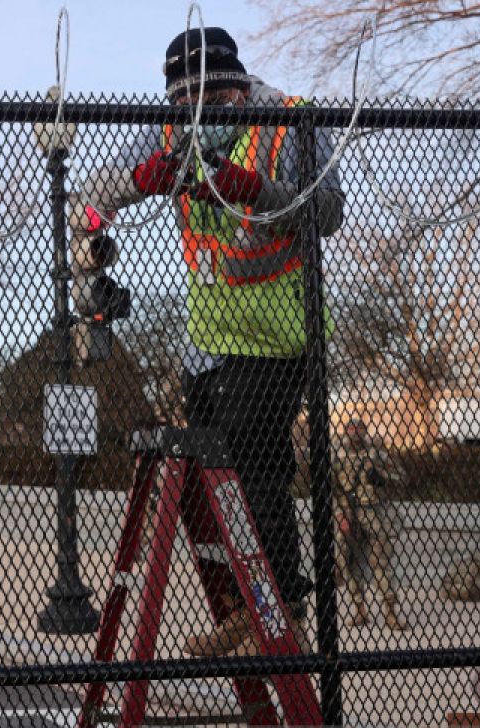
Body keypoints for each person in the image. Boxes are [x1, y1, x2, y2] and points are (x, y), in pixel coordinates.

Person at [71, 26, 345, 656]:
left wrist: (257, 191)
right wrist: (136, 182)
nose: (199, 116)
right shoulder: (169, 129)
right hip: (210, 334)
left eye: (213, 100)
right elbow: (89, 202)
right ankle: (243, 607)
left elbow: (328, 213)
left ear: (238, 86)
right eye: (184, 102)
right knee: (210, 471)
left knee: (253, 456)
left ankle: (284, 609)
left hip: (280, 333)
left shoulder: (286, 122)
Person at [334, 419, 407, 630]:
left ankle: (391, 614)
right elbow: (329, 488)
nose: (355, 432)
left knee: (380, 563)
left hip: (375, 513)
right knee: (346, 561)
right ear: (346, 431)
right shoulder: (336, 454)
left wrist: (381, 477)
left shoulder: (377, 454)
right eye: (351, 428)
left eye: (359, 428)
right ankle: (359, 610)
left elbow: (402, 478)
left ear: (365, 431)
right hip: (347, 512)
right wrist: (340, 516)